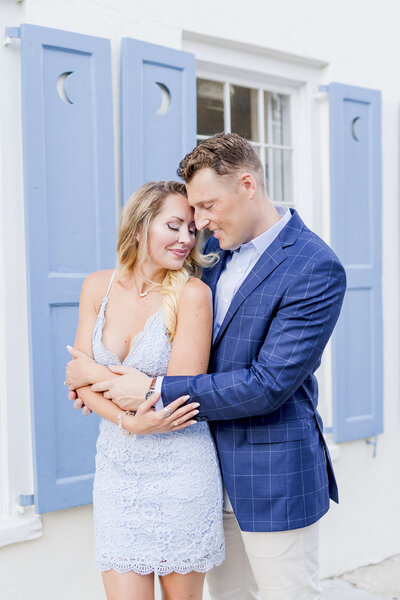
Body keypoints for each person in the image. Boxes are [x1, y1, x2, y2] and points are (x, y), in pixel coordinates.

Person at [71, 132, 346, 599]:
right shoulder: (210, 259)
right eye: (189, 212)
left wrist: (145, 386)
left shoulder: (313, 266)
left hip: (270, 475)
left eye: (205, 206)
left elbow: (267, 384)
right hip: (202, 470)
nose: (197, 224)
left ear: (246, 185)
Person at [65, 180, 225, 600]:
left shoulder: (193, 294)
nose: (186, 239)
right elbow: (78, 377)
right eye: (174, 226)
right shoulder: (96, 287)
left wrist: (91, 376)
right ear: (140, 227)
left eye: (192, 229)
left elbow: (177, 392)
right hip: (118, 471)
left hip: (181, 468)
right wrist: (127, 421)